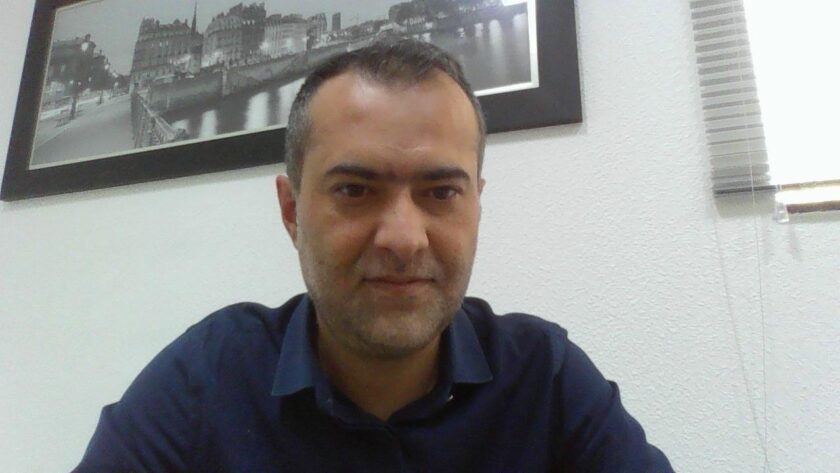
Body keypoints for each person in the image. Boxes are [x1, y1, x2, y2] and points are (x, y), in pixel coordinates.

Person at [75, 39, 673, 472]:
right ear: (291, 212)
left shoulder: (547, 379)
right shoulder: (205, 381)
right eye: (355, 191)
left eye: (441, 193)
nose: (404, 239)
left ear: (477, 206)